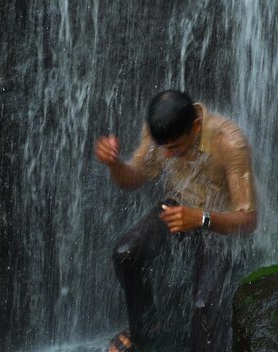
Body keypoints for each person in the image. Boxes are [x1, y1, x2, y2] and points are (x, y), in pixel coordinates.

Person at [94, 90, 257, 352]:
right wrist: (115, 164)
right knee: (125, 253)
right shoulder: (159, 132)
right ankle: (146, 331)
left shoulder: (229, 143)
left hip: (219, 223)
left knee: (203, 305)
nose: (167, 156)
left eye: (175, 149)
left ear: (195, 126)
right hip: (177, 207)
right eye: (163, 149)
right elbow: (134, 178)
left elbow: (249, 220)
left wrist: (202, 219)